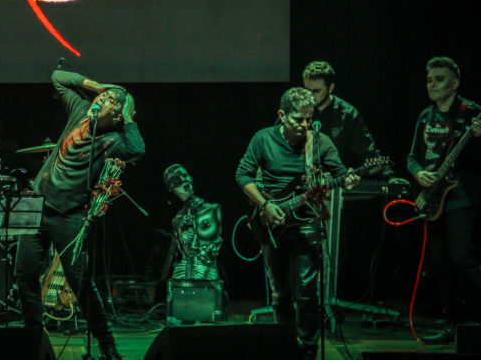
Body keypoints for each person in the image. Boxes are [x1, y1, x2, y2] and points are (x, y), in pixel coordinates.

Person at [14, 69, 145, 360]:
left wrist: (129, 116)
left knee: (81, 283)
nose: (103, 99)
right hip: (33, 203)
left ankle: (106, 343)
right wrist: (100, 85)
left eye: (112, 100)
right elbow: (58, 76)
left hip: (68, 215)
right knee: (23, 274)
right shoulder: (81, 109)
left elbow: (137, 148)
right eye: (104, 96)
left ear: (120, 113)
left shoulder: (113, 139)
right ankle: (33, 338)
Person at [235, 87, 358, 360]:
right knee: (280, 293)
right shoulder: (262, 139)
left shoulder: (320, 141)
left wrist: (348, 178)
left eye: (308, 119)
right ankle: (284, 343)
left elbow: (340, 173)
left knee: (307, 293)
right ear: (281, 115)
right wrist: (266, 205)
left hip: (307, 221)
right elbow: (243, 175)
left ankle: (308, 348)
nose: (304, 125)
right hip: (271, 220)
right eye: (297, 120)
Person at [406, 56, 481, 342]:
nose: (432, 84)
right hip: (432, 196)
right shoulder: (426, 116)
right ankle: (451, 322)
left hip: (462, 195)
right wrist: (418, 173)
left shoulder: (471, 112)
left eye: (439, 79)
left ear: (455, 83)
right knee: (440, 262)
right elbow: (412, 157)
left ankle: (474, 318)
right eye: (429, 80)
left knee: (462, 256)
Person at [302, 60, 392, 176]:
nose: (310, 96)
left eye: (316, 91)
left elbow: (367, 151)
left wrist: (389, 176)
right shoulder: (299, 109)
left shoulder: (347, 114)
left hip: (335, 184)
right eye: (307, 90)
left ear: (330, 88)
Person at [163, 164, 222, 280]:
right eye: (176, 179)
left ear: (190, 178)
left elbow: (212, 246)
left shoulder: (212, 209)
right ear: (170, 188)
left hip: (206, 273)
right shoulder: (177, 219)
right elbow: (184, 251)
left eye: (184, 175)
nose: (182, 180)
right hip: (186, 274)